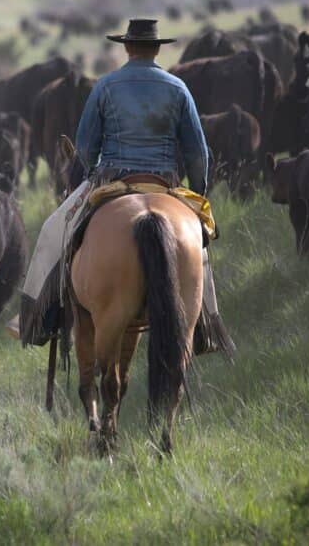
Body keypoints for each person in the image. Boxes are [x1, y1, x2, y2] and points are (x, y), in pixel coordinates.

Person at [16, 18, 227, 352]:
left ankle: (37, 319)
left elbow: (85, 150)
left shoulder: (105, 86)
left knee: (52, 230)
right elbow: (198, 153)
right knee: (197, 249)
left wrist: (84, 180)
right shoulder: (177, 88)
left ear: (127, 47)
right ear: (157, 48)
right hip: (165, 183)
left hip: (113, 180)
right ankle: (207, 325)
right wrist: (198, 193)